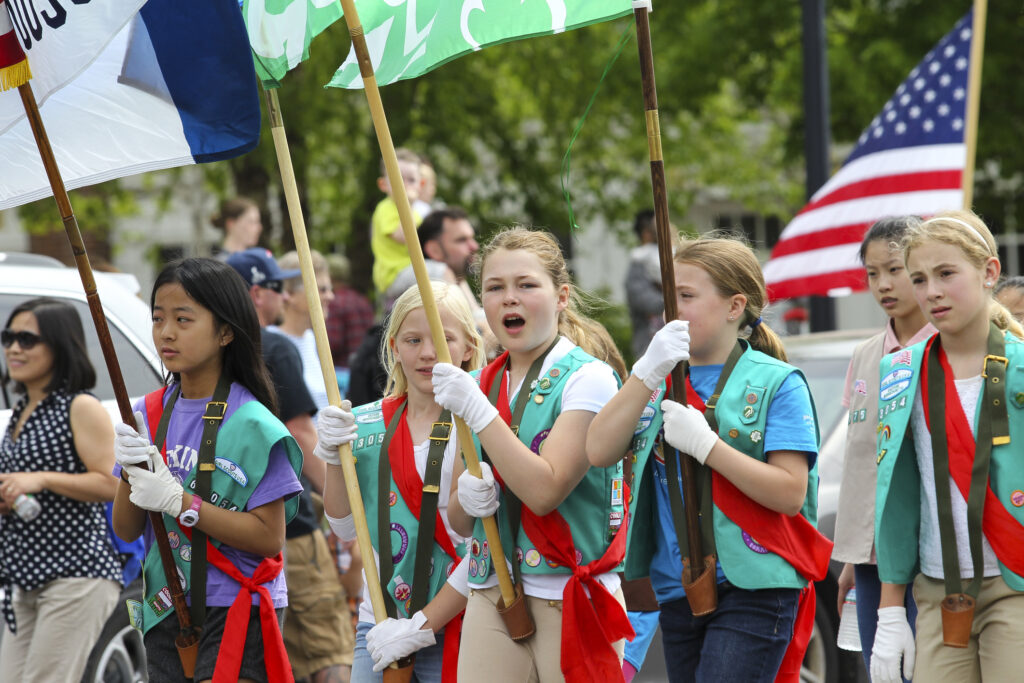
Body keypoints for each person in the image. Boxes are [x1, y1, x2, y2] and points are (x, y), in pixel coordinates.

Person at [587, 234, 828, 683]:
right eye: (667, 296)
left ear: (734, 306)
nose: (669, 309)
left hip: (753, 584)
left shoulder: (778, 382)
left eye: (687, 296)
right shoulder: (657, 379)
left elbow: (790, 492)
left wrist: (709, 447)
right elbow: (599, 449)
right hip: (678, 586)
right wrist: (646, 371)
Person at [429, 227, 632, 682]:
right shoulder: (480, 383)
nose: (509, 299)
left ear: (561, 296)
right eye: (495, 288)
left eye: (526, 285)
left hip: (572, 595)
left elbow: (545, 490)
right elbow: (460, 523)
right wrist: (468, 494)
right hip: (491, 591)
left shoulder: (589, 378)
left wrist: (480, 413)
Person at [111, 258, 303, 683]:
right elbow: (126, 529)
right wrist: (130, 469)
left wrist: (181, 502)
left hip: (237, 604)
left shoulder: (254, 424)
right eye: (158, 317)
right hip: (163, 604)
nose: (166, 332)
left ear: (225, 331)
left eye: (184, 319)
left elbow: (269, 537)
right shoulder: (148, 413)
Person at [870, 211, 1024, 683]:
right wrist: (890, 610)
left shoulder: (1019, 367)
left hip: (1015, 580)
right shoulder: (899, 373)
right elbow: (895, 493)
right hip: (938, 589)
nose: (931, 291)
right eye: (919, 278)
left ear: (989, 272)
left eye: (946, 274)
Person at [315, 280, 483, 681]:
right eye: (412, 340)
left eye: (443, 339)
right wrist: (333, 455)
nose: (427, 353)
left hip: (461, 619)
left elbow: (483, 544)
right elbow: (343, 525)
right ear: (393, 347)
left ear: (469, 348)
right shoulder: (368, 422)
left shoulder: (480, 422)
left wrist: (423, 625)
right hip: (381, 621)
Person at [226, 249, 355, 683]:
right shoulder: (274, 345)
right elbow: (301, 431)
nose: (283, 296)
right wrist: (344, 506)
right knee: (328, 647)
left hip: (230, 531)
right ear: (257, 294)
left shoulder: (209, 357)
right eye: (277, 287)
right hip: (291, 525)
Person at [0, 298, 123, 682]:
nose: (14, 348)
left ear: (60, 344)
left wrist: (42, 479)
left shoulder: (80, 406)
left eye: (27, 338)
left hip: (76, 575)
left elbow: (113, 484)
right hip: (26, 578)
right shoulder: (23, 409)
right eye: (8, 337)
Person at [832, 217, 934, 675]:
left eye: (894, 269)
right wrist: (854, 556)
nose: (883, 285)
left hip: (931, 551)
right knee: (884, 671)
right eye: (873, 273)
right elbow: (861, 459)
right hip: (870, 558)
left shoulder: (944, 348)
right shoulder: (865, 356)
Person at [269, 250, 335, 411]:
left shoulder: (311, 338)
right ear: (289, 294)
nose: (331, 296)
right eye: (322, 289)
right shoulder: (272, 345)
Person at [371, 148, 423, 296]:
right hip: (394, 275)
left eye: (411, 180)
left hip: (410, 270)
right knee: (441, 271)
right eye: (398, 178)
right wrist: (409, 205)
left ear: (421, 185)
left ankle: (473, 311)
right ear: (383, 185)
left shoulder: (416, 214)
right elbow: (403, 237)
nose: (404, 185)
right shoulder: (385, 209)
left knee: (447, 268)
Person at [325, 253, 374, 375]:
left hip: (342, 373)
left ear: (329, 276)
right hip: (365, 370)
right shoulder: (362, 300)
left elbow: (332, 343)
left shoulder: (334, 302)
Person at [626, 209, 665, 359]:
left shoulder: (667, 260)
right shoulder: (638, 265)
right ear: (646, 232)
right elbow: (647, 302)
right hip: (649, 348)